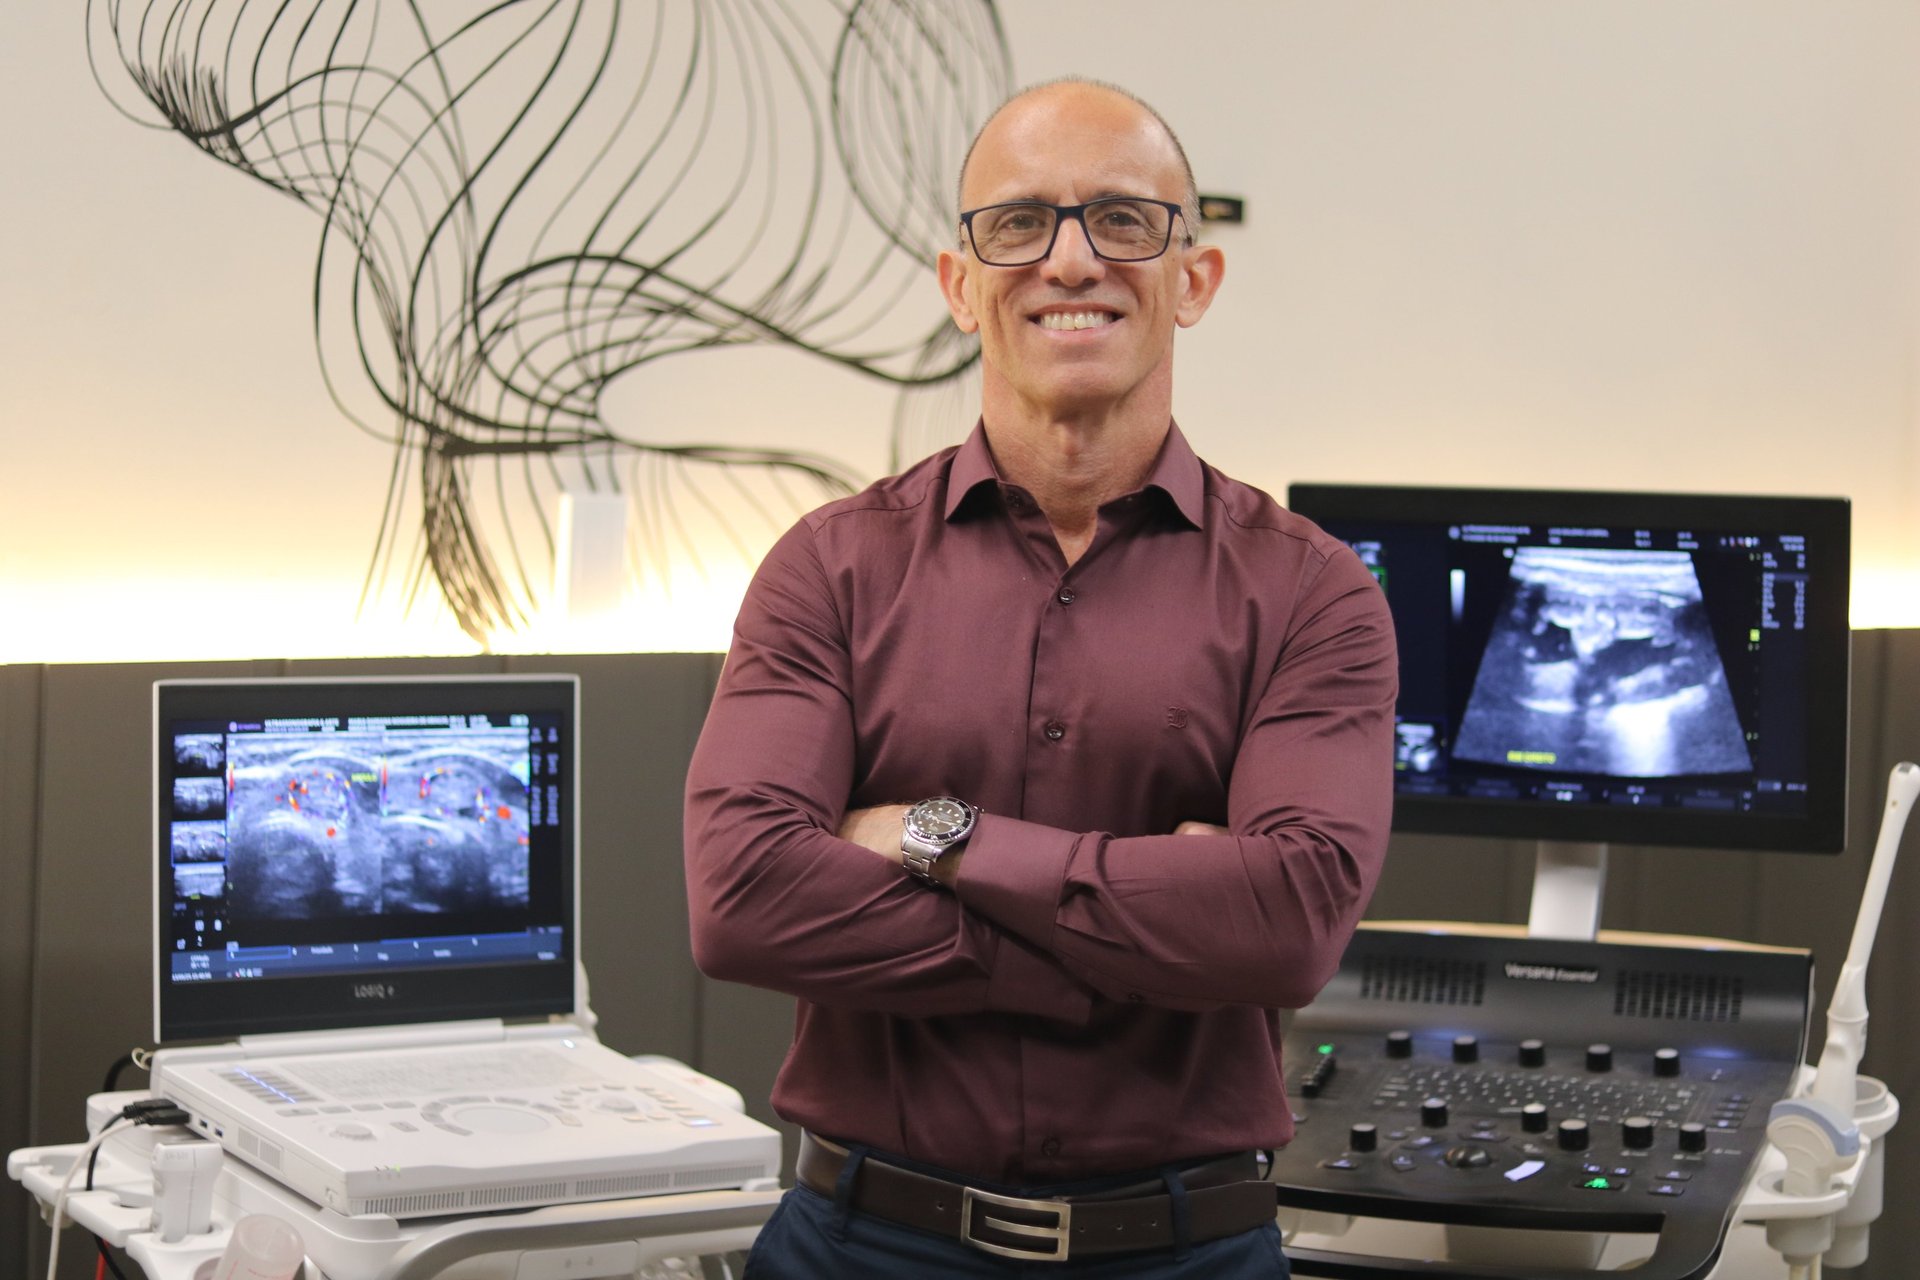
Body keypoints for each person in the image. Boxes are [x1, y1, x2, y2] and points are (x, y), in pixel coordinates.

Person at [684, 76, 1397, 1277]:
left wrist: (935, 836)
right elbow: (742, 895)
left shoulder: (1314, 594)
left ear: (1195, 279)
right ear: (963, 285)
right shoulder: (830, 568)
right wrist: (1133, 933)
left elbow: (1285, 923)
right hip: (862, 1242)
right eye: (1018, 224)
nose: (1070, 260)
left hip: (1185, 1251)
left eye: (1123, 220)